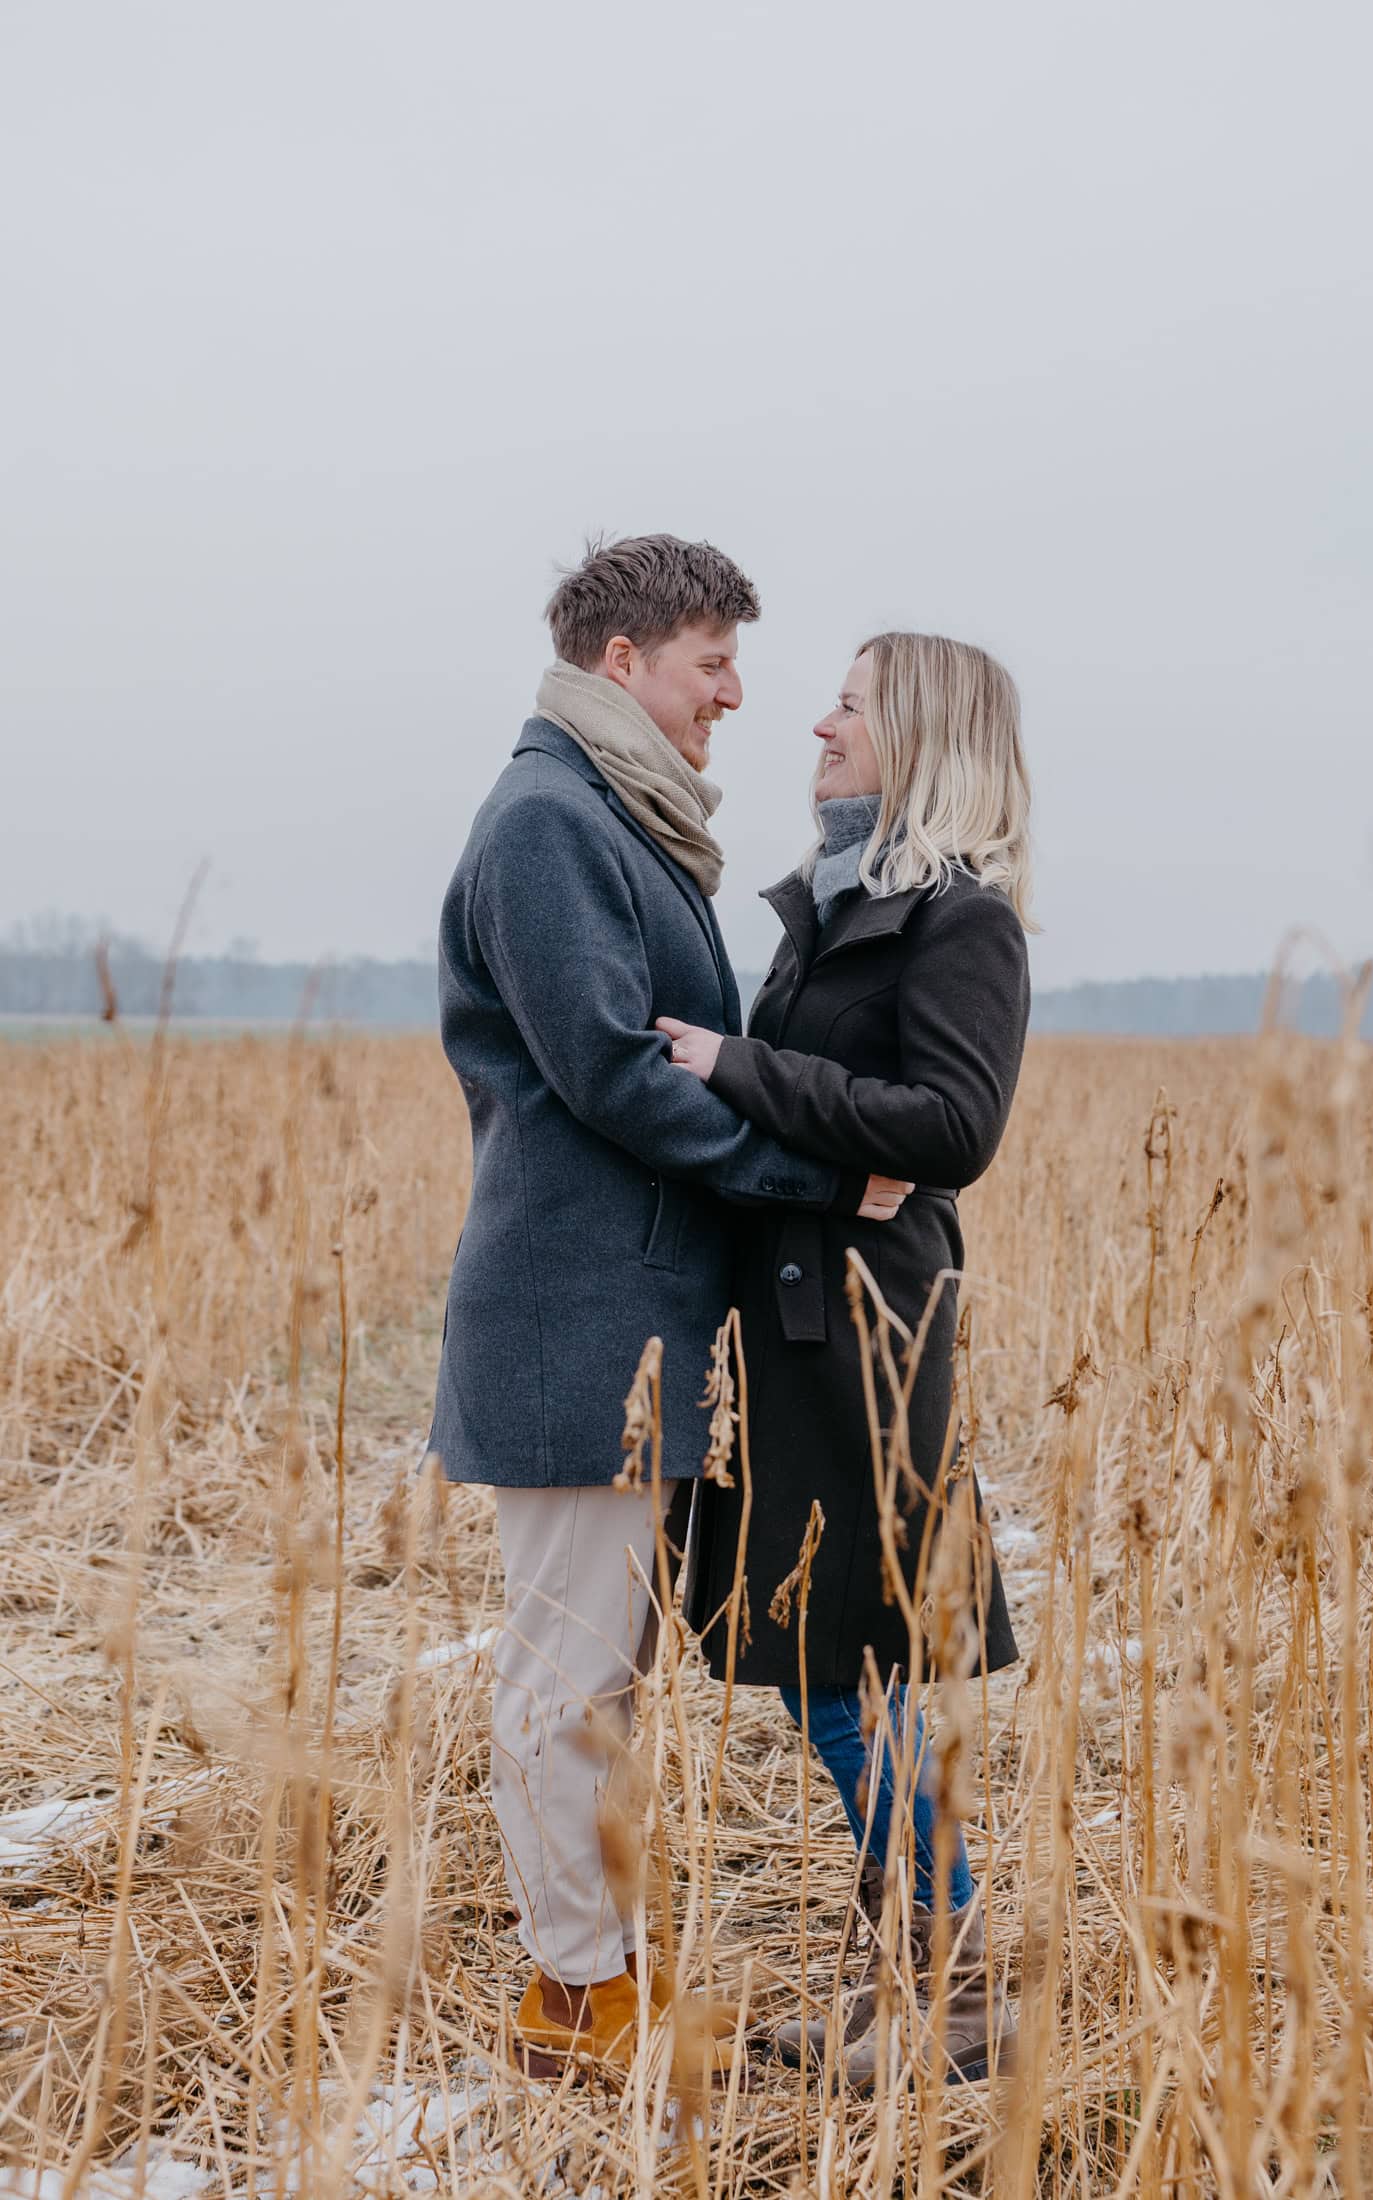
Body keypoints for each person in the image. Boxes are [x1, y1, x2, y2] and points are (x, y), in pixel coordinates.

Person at [424, 535, 910, 2077]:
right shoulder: (549, 822)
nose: (737, 694)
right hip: (575, 1324)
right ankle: (576, 2004)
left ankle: (598, 1977)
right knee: (566, 1676)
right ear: (623, 661)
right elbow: (617, 1074)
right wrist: (819, 1178)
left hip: (624, 1325)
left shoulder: (612, 817)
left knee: (600, 1675)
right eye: (714, 661)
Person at [669, 629, 1034, 2086]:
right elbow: (837, 1120)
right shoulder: (834, 904)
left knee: (842, 1666)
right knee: (835, 1664)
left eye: (850, 705)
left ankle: (956, 1990)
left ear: (923, 735)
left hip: (870, 1334)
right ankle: (926, 1980)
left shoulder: (963, 920)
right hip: (795, 1323)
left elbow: (955, 1127)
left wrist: (737, 1065)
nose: (817, 725)